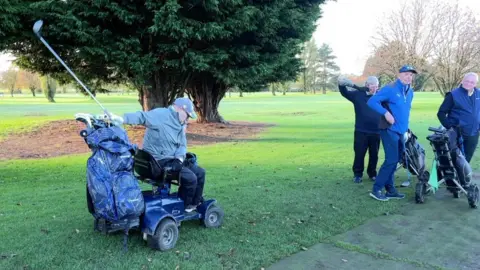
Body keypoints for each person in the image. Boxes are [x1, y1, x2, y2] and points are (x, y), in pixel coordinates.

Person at [109, 97, 205, 213]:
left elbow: (182, 144)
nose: (187, 120)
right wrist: (122, 119)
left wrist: (180, 158)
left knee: (200, 172)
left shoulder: (180, 124)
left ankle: (194, 203)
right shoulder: (161, 115)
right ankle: (183, 207)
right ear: (179, 109)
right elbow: (142, 117)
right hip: (157, 162)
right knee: (190, 178)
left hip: (173, 159)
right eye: (187, 116)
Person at [366, 65, 416, 201]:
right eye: (406, 74)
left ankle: (390, 190)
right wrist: (386, 113)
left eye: (411, 75)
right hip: (389, 130)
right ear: (399, 75)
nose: (408, 77)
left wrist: (406, 130)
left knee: (395, 161)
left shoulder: (410, 91)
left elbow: (405, 112)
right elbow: (372, 101)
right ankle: (376, 189)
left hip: (401, 131)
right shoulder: (390, 88)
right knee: (391, 160)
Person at [338, 76, 381, 183]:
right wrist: (341, 85)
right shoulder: (358, 95)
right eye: (371, 85)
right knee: (359, 153)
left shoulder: (380, 96)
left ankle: (372, 173)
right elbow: (345, 93)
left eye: (376, 86)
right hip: (361, 131)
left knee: (374, 154)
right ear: (366, 85)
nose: (374, 88)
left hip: (376, 131)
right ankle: (358, 174)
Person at [437, 72, 480, 163]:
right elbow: (441, 113)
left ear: (475, 84)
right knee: (455, 159)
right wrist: (450, 128)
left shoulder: (478, 94)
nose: (469, 83)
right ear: (462, 81)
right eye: (467, 81)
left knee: (467, 159)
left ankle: (463, 177)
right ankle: (453, 177)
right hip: (457, 133)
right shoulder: (453, 95)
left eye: (472, 82)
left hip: (473, 133)